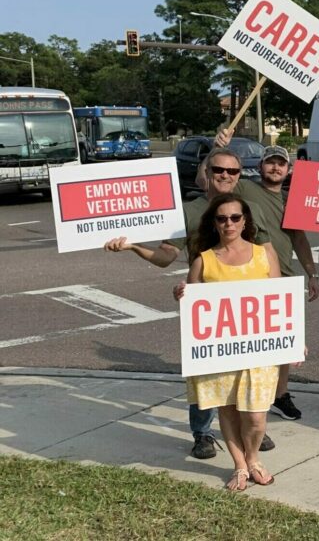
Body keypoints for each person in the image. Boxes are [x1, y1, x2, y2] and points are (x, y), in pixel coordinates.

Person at [104, 147, 276, 460]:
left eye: (233, 172)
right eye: (218, 170)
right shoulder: (188, 211)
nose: (225, 176)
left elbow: (264, 253)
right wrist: (131, 247)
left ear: (240, 176)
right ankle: (202, 433)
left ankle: (250, 428)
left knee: (246, 372)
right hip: (206, 301)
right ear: (206, 173)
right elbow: (166, 256)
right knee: (207, 369)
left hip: (248, 307)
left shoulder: (247, 207)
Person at [202, 133, 319, 421]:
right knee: (251, 343)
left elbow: (300, 239)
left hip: (284, 279)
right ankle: (249, 399)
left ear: (288, 169)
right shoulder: (244, 188)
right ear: (261, 166)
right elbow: (211, 179)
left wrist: (311, 272)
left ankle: (280, 395)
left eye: (281, 164)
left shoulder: (294, 201)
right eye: (270, 163)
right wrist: (217, 148)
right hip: (249, 276)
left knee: (283, 344)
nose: (276, 168)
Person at [175, 194, 281, 491]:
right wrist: (181, 294)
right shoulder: (204, 260)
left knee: (256, 416)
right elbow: (192, 305)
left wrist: (296, 340)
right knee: (228, 409)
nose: (229, 223)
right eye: (222, 218)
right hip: (220, 351)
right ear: (214, 223)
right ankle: (241, 466)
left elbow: (281, 301)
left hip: (259, 347)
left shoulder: (263, 255)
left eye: (235, 217)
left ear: (245, 220)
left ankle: (253, 457)